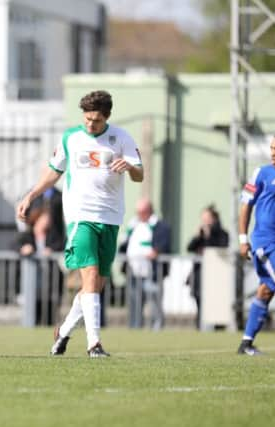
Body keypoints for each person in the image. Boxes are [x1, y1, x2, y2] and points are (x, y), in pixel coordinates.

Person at [17, 90, 143, 357]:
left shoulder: (121, 138)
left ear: (106, 116)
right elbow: (54, 171)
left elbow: (139, 174)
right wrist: (31, 195)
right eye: (86, 119)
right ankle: (94, 344)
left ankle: (63, 332)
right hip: (79, 216)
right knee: (90, 275)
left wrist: (130, 168)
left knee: (95, 286)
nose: (90, 124)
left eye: (96, 120)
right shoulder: (71, 137)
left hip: (109, 217)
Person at [237, 132, 275, 356]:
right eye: (271, 148)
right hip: (264, 242)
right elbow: (246, 205)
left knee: (265, 291)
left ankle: (246, 344)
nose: (272, 153)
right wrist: (243, 239)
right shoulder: (261, 173)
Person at [119, 197, 171, 330]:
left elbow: (162, 245)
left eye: (142, 212)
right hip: (134, 272)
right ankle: (135, 327)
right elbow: (124, 244)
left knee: (154, 303)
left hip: (152, 273)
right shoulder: (134, 225)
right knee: (134, 304)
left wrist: (155, 252)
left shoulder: (160, 225)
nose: (139, 215)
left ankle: (157, 328)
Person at [186, 204, 229, 329]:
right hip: (200, 273)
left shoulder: (222, 233)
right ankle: (200, 326)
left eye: (207, 218)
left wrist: (209, 235)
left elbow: (220, 247)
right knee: (199, 299)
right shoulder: (200, 234)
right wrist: (198, 236)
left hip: (215, 275)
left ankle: (218, 327)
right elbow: (190, 247)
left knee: (216, 302)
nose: (204, 221)